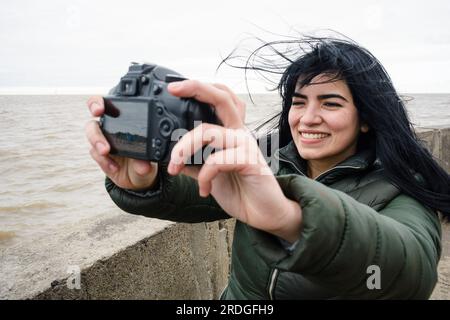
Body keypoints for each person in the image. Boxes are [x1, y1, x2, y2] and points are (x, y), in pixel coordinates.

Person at [85, 36, 449, 299]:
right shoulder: (268, 157)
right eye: (298, 102)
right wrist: (143, 182)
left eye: (331, 104)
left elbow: (408, 273)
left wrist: (292, 219)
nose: (308, 118)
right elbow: (195, 191)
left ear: (365, 118)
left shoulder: (401, 186)